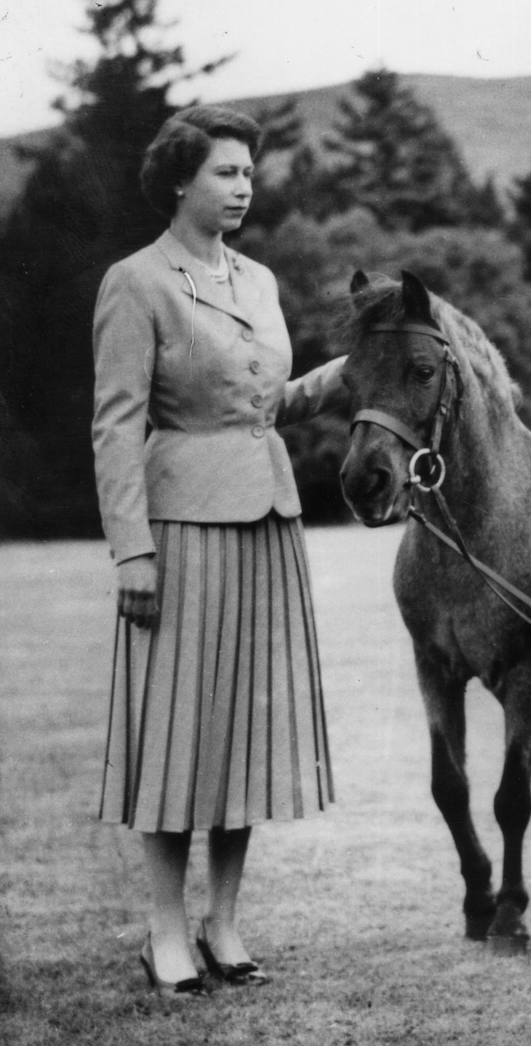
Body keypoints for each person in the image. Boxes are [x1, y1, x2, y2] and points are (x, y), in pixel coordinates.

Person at [91, 105, 348, 997]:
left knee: (247, 731)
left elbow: (266, 406)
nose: (242, 188)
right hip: (181, 531)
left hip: (268, 524)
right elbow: (116, 427)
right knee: (177, 732)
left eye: (247, 173)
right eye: (224, 173)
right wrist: (132, 552)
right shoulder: (136, 282)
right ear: (178, 179)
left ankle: (224, 923)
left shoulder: (261, 282)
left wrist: (353, 371)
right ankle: (164, 928)